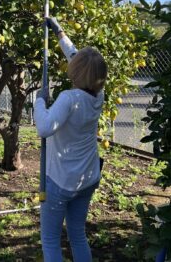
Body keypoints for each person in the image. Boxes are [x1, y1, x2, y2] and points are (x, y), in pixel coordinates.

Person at [33, 17, 108, 262]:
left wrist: (39, 101)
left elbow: (44, 128)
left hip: (62, 181)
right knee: (77, 234)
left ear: (76, 72)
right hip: (87, 177)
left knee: (51, 241)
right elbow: (77, 57)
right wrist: (59, 32)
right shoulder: (99, 93)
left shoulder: (69, 98)